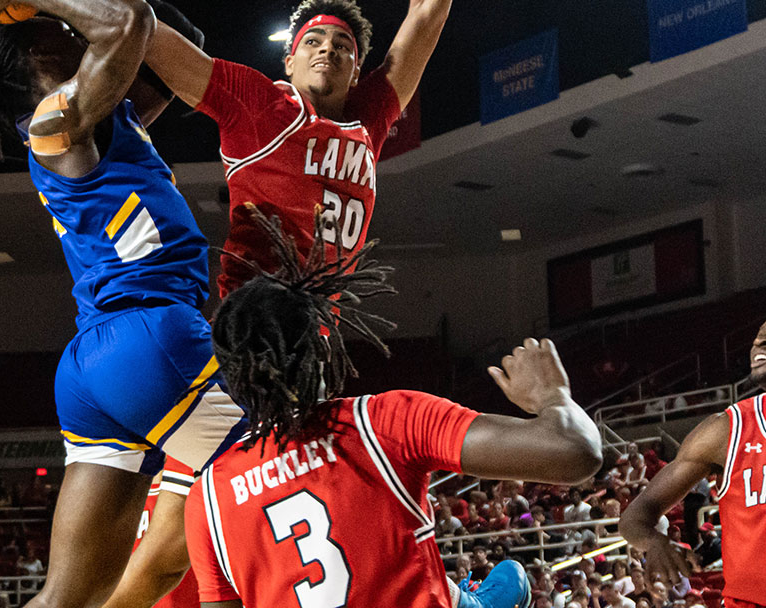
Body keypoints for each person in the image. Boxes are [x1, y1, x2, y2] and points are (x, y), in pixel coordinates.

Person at [0, 0, 476, 606]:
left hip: (271, 340)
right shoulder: (256, 106)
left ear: (361, 66)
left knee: (170, 549)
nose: (328, 47)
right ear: (286, 52)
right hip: (243, 341)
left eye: (343, 44)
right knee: (313, 483)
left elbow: (427, 16)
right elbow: (142, 35)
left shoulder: (372, 116)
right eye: (313, 38)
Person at [0, 0, 245, 608]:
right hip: (152, 338)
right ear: (42, 43)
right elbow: (128, 24)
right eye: (61, 26)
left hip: (99, 362)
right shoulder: (54, 119)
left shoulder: (110, 116)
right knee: (297, 469)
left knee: (72, 596)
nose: (76, 27)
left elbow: (170, 36)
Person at [182, 209, 602, 608]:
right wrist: (552, 397)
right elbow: (576, 452)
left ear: (232, 377)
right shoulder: (381, 422)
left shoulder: (208, 499)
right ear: (323, 348)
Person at [620, 310, 766, 608]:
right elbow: (637, 515)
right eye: (759, 338)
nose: (760, 342)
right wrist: (654, 542)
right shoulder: (725, 431)